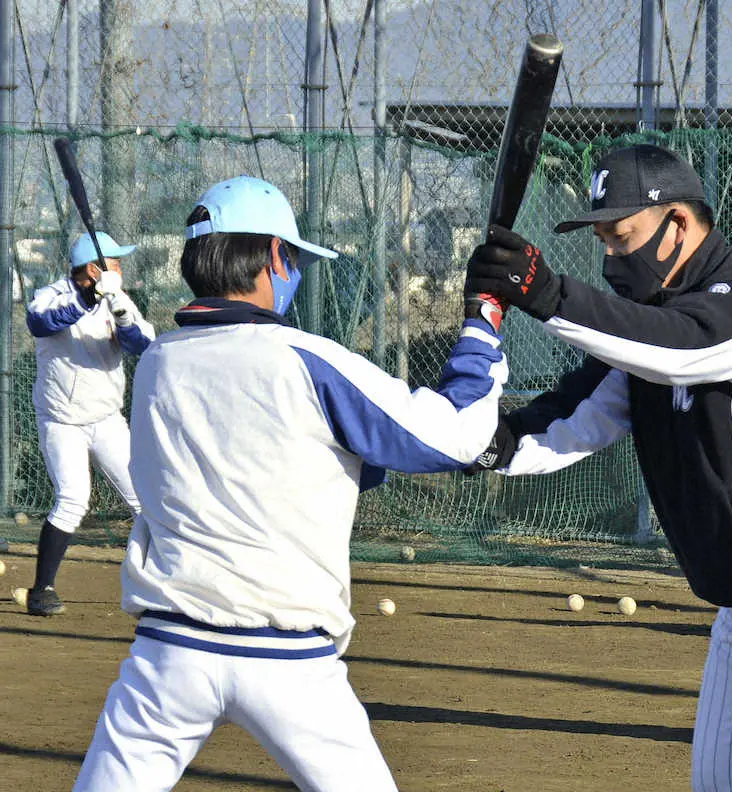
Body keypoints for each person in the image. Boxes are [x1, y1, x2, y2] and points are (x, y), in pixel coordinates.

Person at [463, 144, 732, 790]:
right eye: (605, 241)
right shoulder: (649, 328)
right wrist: (479, 442)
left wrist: (548, 294)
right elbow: (576, 415)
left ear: (680, 224)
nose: (612, 256)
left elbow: (682, 348)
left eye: (623, 236)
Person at [72, 176, 507, 792]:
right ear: (273, 257)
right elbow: (455, 436)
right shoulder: (306, 357)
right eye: (294, 257)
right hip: (289, 660)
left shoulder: (158, 364)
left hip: (168, 655)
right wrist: (483, 326)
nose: (295, 270)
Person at [25, 232, 154, 616]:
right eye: (115, 263)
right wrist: (88, 298)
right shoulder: (50, 294)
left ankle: (160, 584)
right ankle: (41, 589)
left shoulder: (118, 297)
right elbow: (40, 323)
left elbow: (143, 346)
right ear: (95, 269)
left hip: (106, 418)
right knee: (72, 499)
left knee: (145, 500)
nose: (121, 269)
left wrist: (122, 313)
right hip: (62, 421)